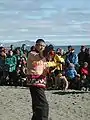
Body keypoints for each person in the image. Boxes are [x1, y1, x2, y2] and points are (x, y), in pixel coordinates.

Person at [27, 39, 49, 120]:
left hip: (40, 82)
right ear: (36, 45)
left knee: (37, 104)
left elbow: (45, 67)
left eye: (43, 46)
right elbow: (39, 57)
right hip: (34, 82)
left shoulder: (42, 57)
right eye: (40, 45)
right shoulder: (32, 54)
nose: (42, 47)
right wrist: (46, 51)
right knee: (43, 105)